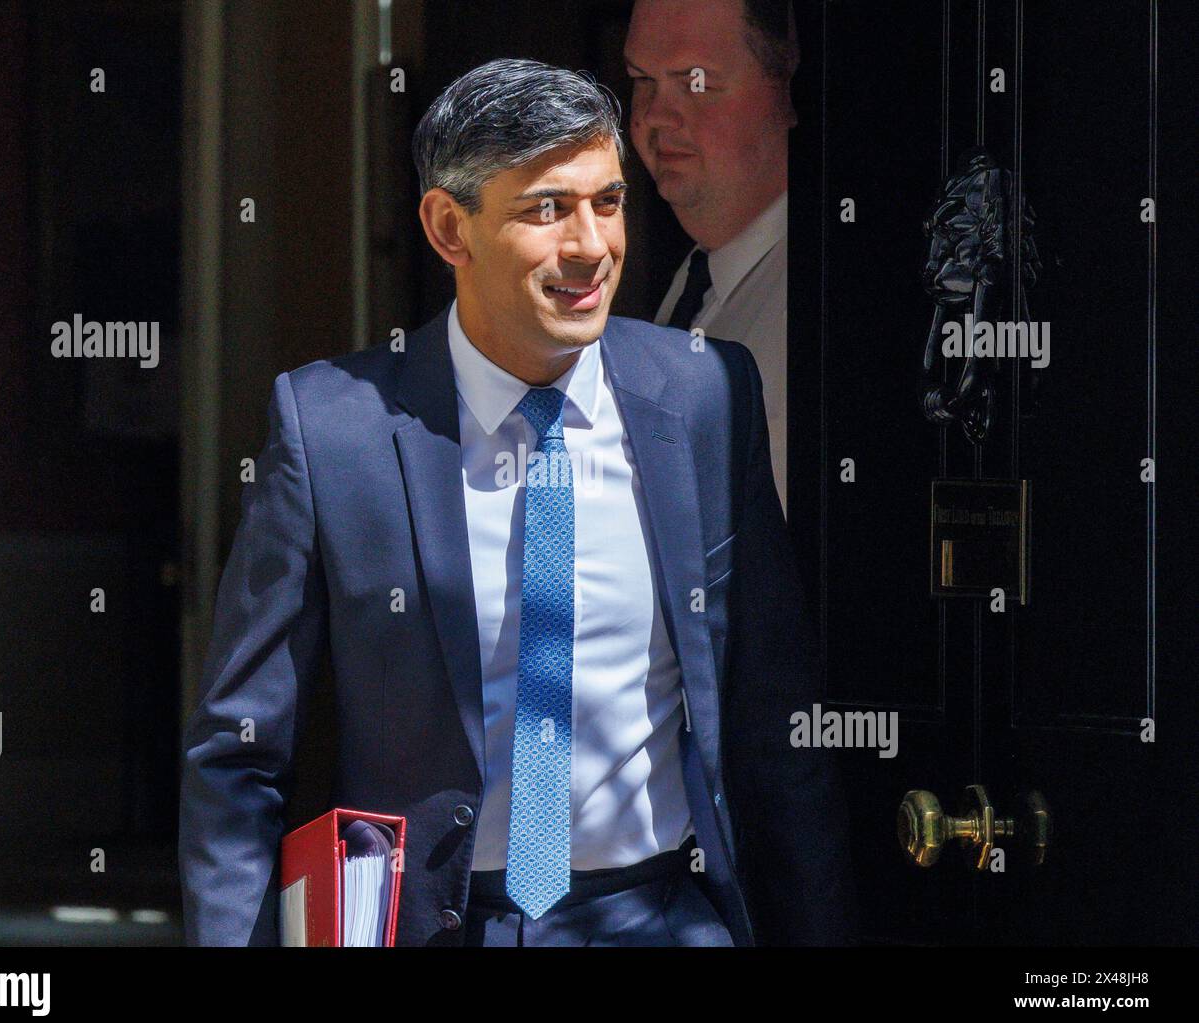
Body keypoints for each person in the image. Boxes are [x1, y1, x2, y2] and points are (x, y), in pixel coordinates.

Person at [178, 57, 855, 947]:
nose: (590, 247)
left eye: (607, 202)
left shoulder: (702, 397)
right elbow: (240, 751)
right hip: (436, 927)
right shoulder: (332, 431)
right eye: (546, 209)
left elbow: (772, 722)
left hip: (655, 917)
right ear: (448, 228)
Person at [626, 0, 798, 517]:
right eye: (641, 79)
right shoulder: (698, 275)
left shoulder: (819, 297)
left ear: (786, 93)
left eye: (695, 82)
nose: (654, 115)